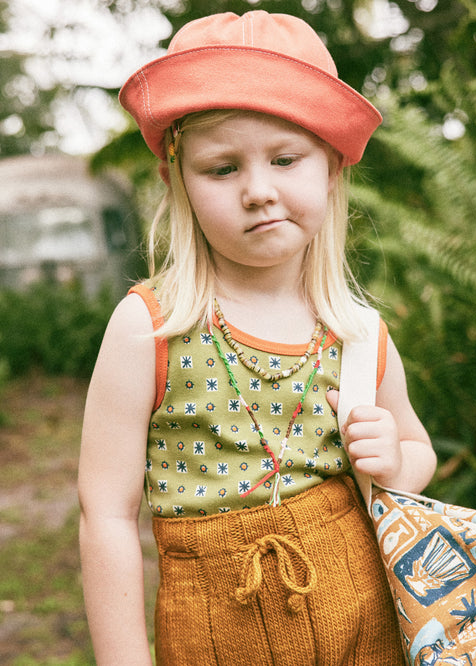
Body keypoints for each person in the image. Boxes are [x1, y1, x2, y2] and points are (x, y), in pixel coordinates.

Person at [78, 10, 436, 665]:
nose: (258, 191)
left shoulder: (356, 333)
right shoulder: (152, 326)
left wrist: (395, 461)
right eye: (222, 168)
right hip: (215, 633)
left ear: (328, 168)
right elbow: (103, 512)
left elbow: (415, 449)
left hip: (364, 631)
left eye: (284, 157)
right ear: (176, 183)